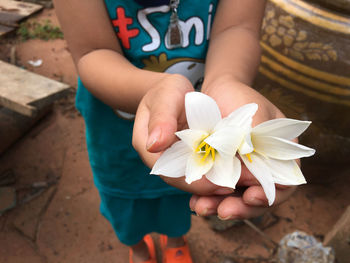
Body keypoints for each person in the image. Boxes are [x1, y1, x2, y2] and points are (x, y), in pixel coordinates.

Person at [53, 0, 296, 262]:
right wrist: (154, 89)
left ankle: (176, 240)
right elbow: (92, 52)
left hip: (199, 133)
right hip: (116, 140)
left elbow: (238, 27)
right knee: (126, 207)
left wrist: (226, 81)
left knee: (180, 201)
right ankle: (138, 249)